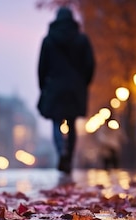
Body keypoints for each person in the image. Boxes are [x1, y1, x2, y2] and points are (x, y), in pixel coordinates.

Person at [38, 6, 95, 174]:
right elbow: (90, 64)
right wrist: (84, 82)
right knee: (72, 123)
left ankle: (61, 152)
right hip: (75, 87)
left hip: (55, 86)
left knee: (56, 122)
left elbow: (42, 67)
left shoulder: (48, 40)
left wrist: (44, 86)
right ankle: (69, 157)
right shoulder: (82, 39)